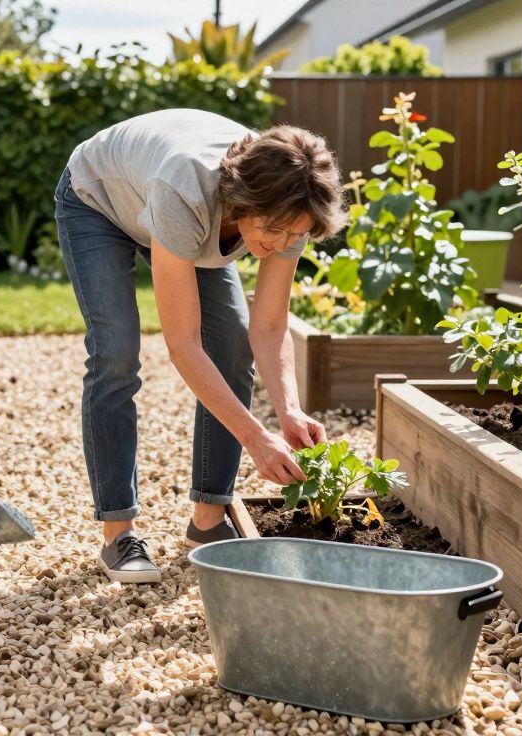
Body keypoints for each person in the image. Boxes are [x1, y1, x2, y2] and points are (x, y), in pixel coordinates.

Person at [54, 108, 347, 583]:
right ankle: (118, 533)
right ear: (241, 202)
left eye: (295, 235)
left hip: (173, 204)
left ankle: (208, 522)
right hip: (99, 199)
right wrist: (255, 437)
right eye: (272, 231)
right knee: (116, 352)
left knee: (232, 344)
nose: (282, 244)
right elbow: (184, 344)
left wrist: (288, 410)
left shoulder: (292, 208)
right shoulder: (185, 192)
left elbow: (269, 329)